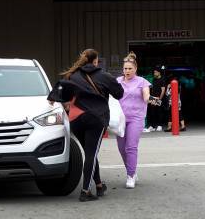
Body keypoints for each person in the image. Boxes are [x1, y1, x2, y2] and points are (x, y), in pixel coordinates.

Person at [47, 48, 123, 202]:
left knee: (90, 153)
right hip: (95, 118)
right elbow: (119, 94)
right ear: (96, 61)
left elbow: (61, 90)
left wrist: (53, 97)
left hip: (76, 119)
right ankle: (85, 191)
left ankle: (100, 186)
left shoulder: (72, 75)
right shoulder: (104, 76)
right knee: (91, 154)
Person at [116, 52, 151, 189]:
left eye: (130, 68)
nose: (127, 71)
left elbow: (146, 95)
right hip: (120, 118)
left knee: (131, 147)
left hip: (136, 118)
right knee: (121, 148)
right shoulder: (117, 81)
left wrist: (150, 99)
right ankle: (132, 171)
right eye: (125, 68)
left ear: (135, 69)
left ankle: (130, 176)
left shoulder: (142, 81)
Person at [146, 65, 166, 132]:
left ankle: (159, 125)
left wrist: (160, 98)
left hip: (158, 98)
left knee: (159, 112)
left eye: (155, 72)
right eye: (154, 72)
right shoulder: (154, 79)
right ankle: (152, 126)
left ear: (159, 72)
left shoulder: (162, 79)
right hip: (153, 97)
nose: (154, 73)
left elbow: (163, 90)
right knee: (152, 112)